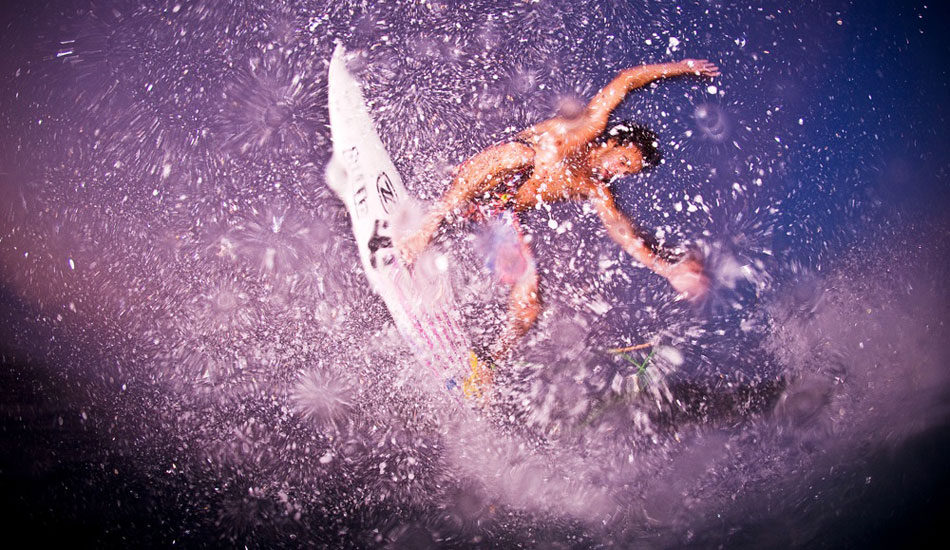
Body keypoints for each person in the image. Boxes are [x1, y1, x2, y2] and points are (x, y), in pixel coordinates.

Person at [397, 58, 720, 377]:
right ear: (611, 142)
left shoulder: (595, 189)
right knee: (520, 154)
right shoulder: (586, 129)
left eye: (626, 172)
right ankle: (426, 229)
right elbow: (625, 81)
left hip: (496, 212)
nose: (616, 173)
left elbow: (621, 232)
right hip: (478, 180)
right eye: (621, 161)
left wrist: (667, 270)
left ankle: (486, 368)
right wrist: (681, 67)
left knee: (530, 303)